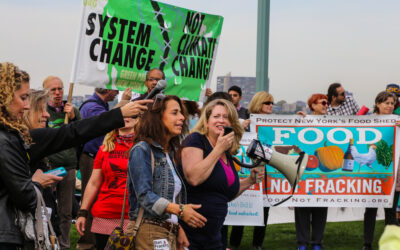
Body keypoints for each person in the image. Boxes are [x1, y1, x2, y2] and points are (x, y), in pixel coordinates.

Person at [0, 62, 152, 249]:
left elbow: (72, 132)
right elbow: (25, 195)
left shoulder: (14, 138)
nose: (25, 106)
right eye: (23, 98)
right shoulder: (6, 140)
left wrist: (118, 114)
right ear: (5, 97)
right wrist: (37, 183)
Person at [181, 98, 264, 249]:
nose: (221, 120)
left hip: (214, 236)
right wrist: (218, 149)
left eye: (226, 117)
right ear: (206, 121)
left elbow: (224, 194)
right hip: (190, 235)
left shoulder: (226, 152)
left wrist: (249, 182)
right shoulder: (196, 140)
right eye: (216, 116)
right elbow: (194, 178)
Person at [127, 95, 207, 249]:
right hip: (149, 231)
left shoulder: (168, 153)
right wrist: (181, 210)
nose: (182, 117)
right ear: (158, 117)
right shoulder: (142, 149)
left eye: (181, 113)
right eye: (175, 112)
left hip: (167, 232)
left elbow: (168, 198)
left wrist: (177, 227)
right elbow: (144, 196)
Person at [76, 117, 137, 250]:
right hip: (105, 214)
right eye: (121, 115)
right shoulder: (105, 148)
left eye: (131, 115)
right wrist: (83, 213)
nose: (126, 118)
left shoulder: (143, 147)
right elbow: (93, 183)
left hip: (134, 216)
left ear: (138, 120)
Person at [230, 91, 273, 250]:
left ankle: (257, 244)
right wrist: (241, 127)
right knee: (242, 204)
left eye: (271, 103)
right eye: (267, 103)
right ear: (258, 104)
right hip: (246, 170)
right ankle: (234, 243)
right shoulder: (246, 122)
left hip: (266, 170)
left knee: (264, 208)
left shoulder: (274, 124)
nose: (270, 106)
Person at [43, 75, 82, 250]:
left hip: (68, 166)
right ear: (46, 92)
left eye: (60, 89)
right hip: (48, 166)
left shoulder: (71, 109)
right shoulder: (43, 111)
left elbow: (82, 133)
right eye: (53, 90)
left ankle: (64, 245)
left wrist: (73, 117)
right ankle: (47, 242)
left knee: (65, 211)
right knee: (46, 209)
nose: (58, 93)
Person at [77, 87, 119, 249]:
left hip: (96, 157)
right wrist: (122, 106)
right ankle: (88, 242)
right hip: (92, 158)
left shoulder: (98, 105)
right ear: (107, 89)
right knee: (91, 199)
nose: (117, 92)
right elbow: (104, 122)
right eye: (115, 89)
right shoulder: (92, 107)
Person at [363, 91, 400, 250]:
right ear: (378, 103)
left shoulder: (398, 121)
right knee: (370, 210)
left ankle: (391, 243)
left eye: (392, 103)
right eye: (387, 103)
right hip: (373, 174)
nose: (390, 106)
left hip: (394, 172)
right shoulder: (367, 121)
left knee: (391, 211)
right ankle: (367, 243)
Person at [22, 89, 61, 237]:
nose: (47, 114)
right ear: (26, 112)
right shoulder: (22, 144)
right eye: (40, 110)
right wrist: (36, 184)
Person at [295, 94, 329, 250]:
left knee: (321, 207)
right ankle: (302, 243)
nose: (326, 105)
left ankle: (317, 242)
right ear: (313, 105)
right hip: (304, 169)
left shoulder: (333, 123)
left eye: (327, 103)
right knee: (302, 206)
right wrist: (298, 119)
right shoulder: (303, 121)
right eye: (322, 102)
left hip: (323, 171)